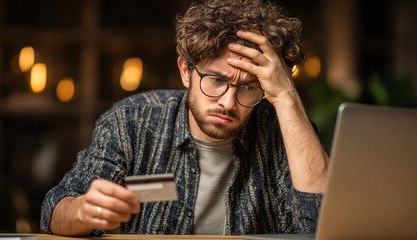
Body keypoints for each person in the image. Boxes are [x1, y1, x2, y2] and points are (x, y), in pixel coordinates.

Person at [40, 0, 328, 236]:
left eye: (249, 88)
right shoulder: (132, 120)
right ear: (186, 71)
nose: (228, 103)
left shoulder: (284, 128)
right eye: (216, 80)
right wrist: (83, 210)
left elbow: (321, 225)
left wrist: (287, 97)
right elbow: (53, 212)